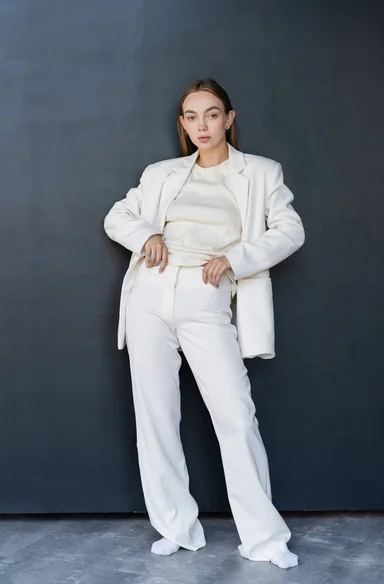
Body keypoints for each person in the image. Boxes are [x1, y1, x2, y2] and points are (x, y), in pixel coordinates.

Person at [104, 79, 305, 569]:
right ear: (182, 123)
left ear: (229, 119)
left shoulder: (260, 172)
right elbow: (117, 216)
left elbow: (290, 230)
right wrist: (146, 233)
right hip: (150, 292)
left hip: (206, 294)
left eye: (211, 115)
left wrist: (236, 258)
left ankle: (264, 538)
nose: (201, 126)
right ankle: (176, 526)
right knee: (155, 417)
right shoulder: (161, 174)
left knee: (235, 415)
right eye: (191, 117)